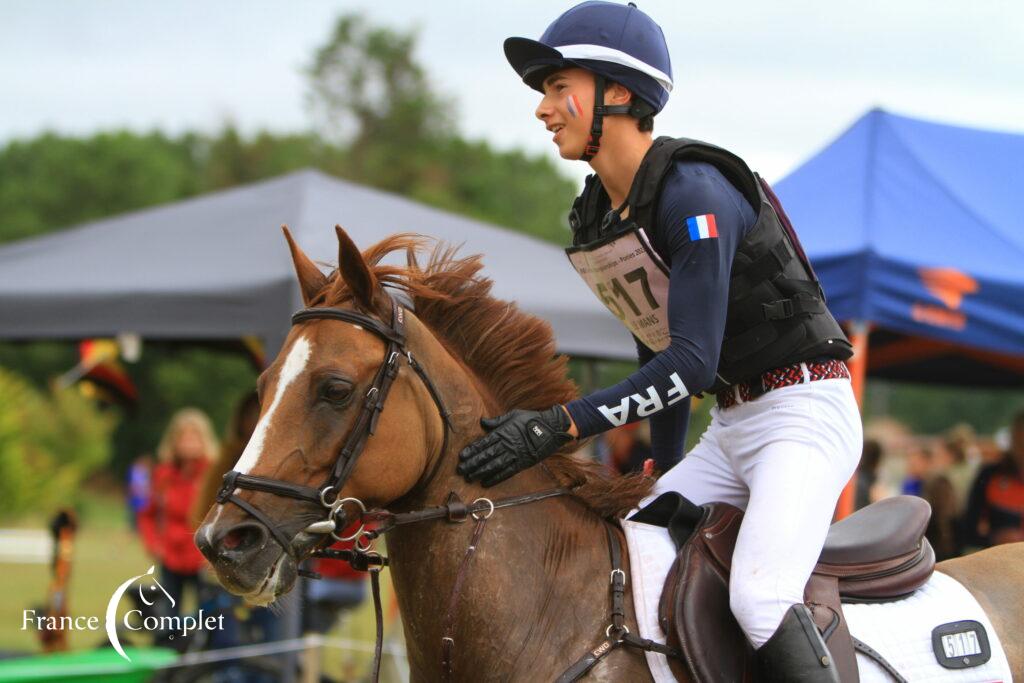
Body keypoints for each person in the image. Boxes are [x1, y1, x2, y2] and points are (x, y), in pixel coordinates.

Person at [457, 3, 859, 679]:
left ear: (617, 92)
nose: (543, 109)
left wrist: (556, 425)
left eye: (559, 88)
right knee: (626, 556)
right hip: (733, 427)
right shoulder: (603, 211)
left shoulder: (692, 191)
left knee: (760, 597)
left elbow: (692, 362)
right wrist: (666, 464)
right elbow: (659, 343)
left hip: (804, 415)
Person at [138, 408, 218, 623]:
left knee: (208, 615)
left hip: (203, 557)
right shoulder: (163, 474)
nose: (189, 443)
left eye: (194, 437)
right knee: (168, 616)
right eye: (183, 437)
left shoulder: (213, 474)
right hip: (171, 556)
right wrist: (154, 544)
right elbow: (147, 513)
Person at [960, 410, 1024, 549]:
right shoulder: (990, 474)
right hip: (997, 558)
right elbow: (969, 527)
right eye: (1019, 439)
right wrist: (994, 538)